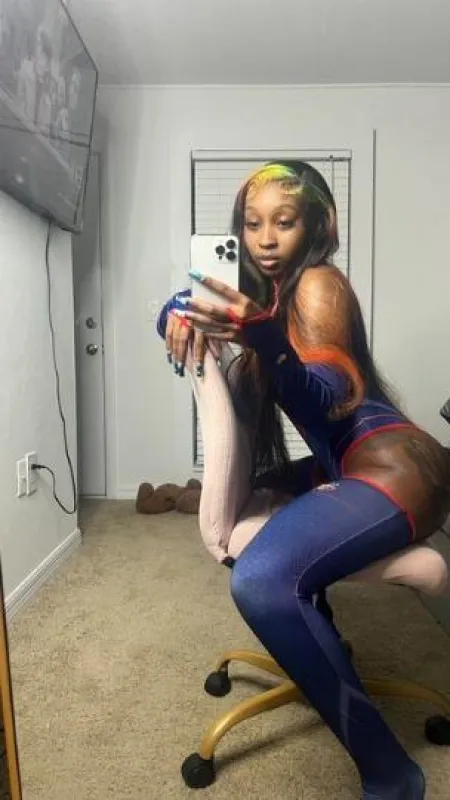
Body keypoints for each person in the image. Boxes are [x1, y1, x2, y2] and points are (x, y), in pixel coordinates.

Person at [156, 161, 450, 798]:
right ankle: (319, 643)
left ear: (317, 225)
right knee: (272, 532)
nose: (265, 239)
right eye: (252, 224)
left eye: (284, 223)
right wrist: (174, 311)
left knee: (261, 581)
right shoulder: (267, 297)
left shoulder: (317, 285)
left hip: (397, 468)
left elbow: (330, 397)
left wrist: (271, 344)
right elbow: (190, 324)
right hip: (346, 464)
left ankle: (392, 774)